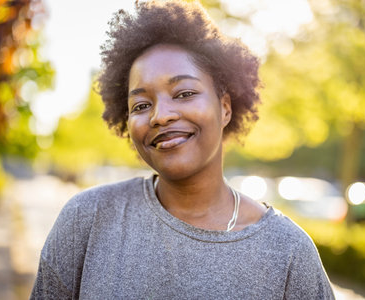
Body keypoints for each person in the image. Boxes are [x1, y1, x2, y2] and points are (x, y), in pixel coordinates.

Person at [31, 0, 335, 299]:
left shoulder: (289, 253)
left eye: (184, 93)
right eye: (141, 104)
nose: (160, 115)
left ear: (225, 108)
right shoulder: (87, 219)